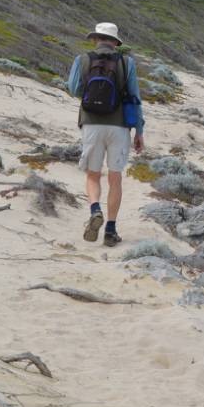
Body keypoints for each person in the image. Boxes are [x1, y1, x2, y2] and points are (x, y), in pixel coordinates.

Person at [67, 22, 144, 246]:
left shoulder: (82, 59)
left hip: (91, 124)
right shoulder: (127, 62)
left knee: (93, 174)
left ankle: (94, 210)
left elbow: (73, 89)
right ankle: (110, 230)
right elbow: (135, 98)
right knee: (115, 177)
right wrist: (139, 131)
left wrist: (90, 96)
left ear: (95, 39)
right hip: (119, 126)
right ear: (115, 42)